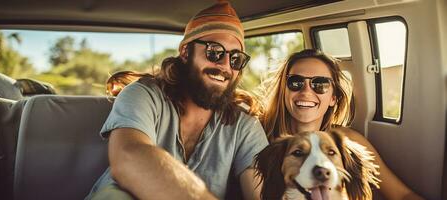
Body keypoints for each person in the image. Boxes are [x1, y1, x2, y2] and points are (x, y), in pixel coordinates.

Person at [86, 1, 268, 200]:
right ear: (185, 52)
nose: (225, 66)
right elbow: (129, 156)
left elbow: (259, 192)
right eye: (214, 51)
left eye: (236, 58)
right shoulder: (143, 95)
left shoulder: (244, 126)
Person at [260, 49, 425, 200]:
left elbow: (402, 195)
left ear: (333, 98)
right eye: (296, 82)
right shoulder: (260, 136)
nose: (306, 92)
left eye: (320, 84)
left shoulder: (349, 141)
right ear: (284, 90)